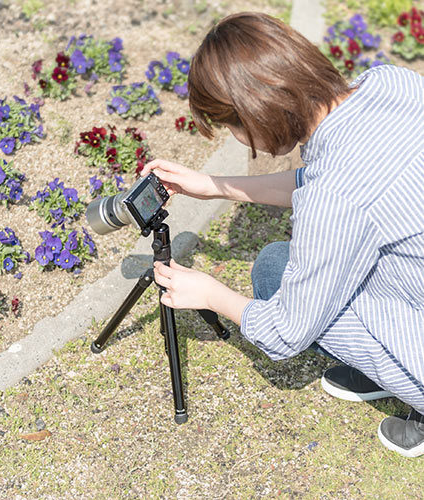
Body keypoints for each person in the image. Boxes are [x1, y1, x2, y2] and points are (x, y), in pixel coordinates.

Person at [141, 12, 424, 458]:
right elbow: (318, 181)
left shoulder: (335, 197)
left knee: (274, 271)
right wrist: (214, 184)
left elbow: (285, 333)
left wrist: (210, 293)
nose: (238, 138)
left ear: (257, 114)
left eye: (233, 127)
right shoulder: (390, 83)